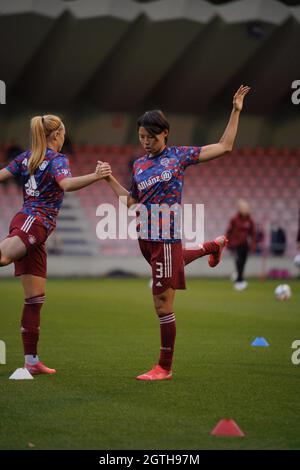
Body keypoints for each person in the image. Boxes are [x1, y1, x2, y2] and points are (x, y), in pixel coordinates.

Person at [100, 85, 250, 380]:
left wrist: (235, 110)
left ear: (165, 133)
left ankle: (164, 368)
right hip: (146, 238)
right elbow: (131, 203)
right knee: (171, 273)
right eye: (141, 137)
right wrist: (107, 179)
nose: (145, 142)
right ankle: (212, 247)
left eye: (150, 137)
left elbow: (224, 147)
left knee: (161, 303)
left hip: (167, 238)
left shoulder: (179, 156)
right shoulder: (140, 164)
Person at [0, 115, 111, 375]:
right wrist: (95, 176)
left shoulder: (27, 157)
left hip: (38, 229)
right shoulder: (57, 159)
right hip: (33, 222)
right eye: (64, 134)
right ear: (58, 135)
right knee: (4, 256)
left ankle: (31, 362)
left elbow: (2, 175)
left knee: (35, 299)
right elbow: (67, 184)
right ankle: (31, 361)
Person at [226, 199, 256, 290]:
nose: (245, 210)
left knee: (243, 263)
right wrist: (227, 242)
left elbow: (253, 234)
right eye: (243, 208)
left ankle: (239, 277)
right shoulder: (234, 219)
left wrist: (253, 245)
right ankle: (239, 281)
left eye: (247, 208)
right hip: (235, 245)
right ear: (240, 209)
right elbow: (229, 231)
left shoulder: (250, 220)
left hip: (245, 245)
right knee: (238, 262)